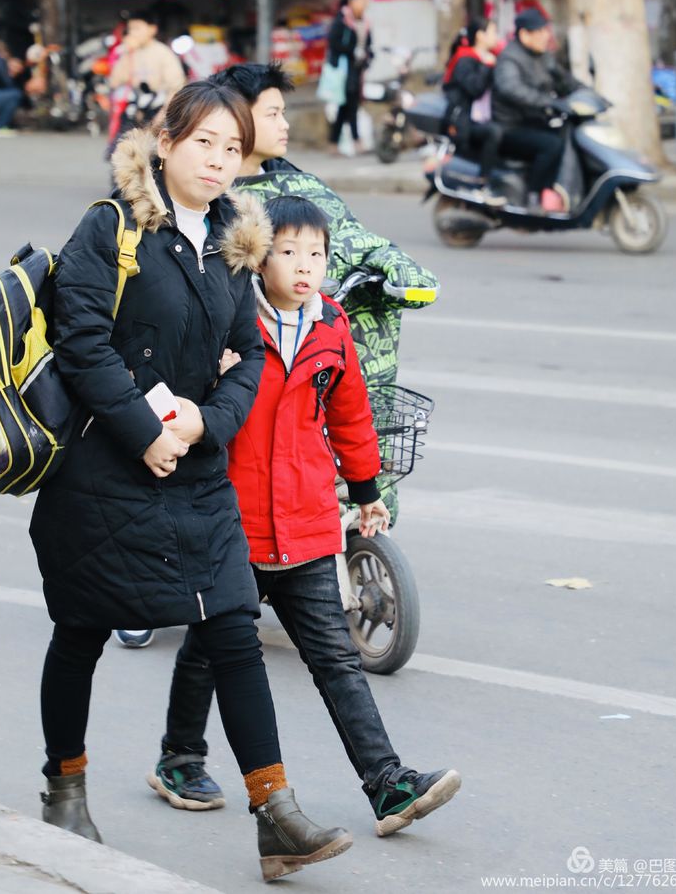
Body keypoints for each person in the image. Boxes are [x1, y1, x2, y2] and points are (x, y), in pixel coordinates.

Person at [29, 79, 353, 881]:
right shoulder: (110, 227)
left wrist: (208, 423)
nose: (217, 160)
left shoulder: (236, 243)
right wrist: (145, 433)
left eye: (233, 148)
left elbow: (248, 355)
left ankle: (276, 813)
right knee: (82, 631)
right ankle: (64, 790)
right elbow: (81, 342)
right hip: (106, 470)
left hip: (200, 473)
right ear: (166, 140)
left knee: (234, 629)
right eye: (204, 141)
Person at [148, 195, 462, 837]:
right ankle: (180, 757)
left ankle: (388, 785)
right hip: (232, 522)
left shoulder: (332, 329)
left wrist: (367, 489)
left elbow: (350, 416)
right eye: (288, 252)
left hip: (308, 522)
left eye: (315, 255)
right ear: (259, 259)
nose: (303, 267)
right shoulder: (231, 323)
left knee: (336, 661)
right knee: (210, 649)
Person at [114, 61, 436, 654]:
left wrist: (399, 272)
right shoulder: (193, 208)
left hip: (304, 359)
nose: (283, 125)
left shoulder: (301, 197)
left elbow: (356, 238)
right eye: (270, 114)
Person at [492, 8, 582, 211]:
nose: (546, 36)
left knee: (568, 135)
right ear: (524, 34)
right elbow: (512, 89)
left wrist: (587, 94)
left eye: (546, 31)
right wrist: (548, 102)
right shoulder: (509, 59)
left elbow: (564, 81)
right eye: (540, 32)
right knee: (551, 145)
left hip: (534, 121)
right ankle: (534, 194)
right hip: (510, 127)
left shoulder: (543, 56)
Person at [442, 18, 506, 205]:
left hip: (483, 117)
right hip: (464, 122)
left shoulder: (490, 57)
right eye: (493, 32)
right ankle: (482, 185)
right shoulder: (465, 59)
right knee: (494, 132)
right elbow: (474, 89)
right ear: (480, 35)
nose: (496, 37)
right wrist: (487, 67)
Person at [106, 9, 185, 151]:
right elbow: (114, 82)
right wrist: (126, 54)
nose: (133, 33)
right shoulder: (125, 51)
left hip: (156, 110)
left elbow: (175, 88)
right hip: (132, 111)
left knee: (152, 156)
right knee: (122, 155)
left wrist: (161, 117)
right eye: (130, 29)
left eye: (137, 28)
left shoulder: (163, 53)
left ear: (152, 29)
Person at [326, 0, 373, 155]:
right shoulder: (342, 20)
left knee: (347, 106)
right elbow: (333, 42)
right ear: (352, 1)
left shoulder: (365, 22)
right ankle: (355, 141)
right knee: (348, 105)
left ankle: (335, 143)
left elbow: (368, 44)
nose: (363, 3)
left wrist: (367, 56)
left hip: (357, 69)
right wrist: (351, 50)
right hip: (344, 70)